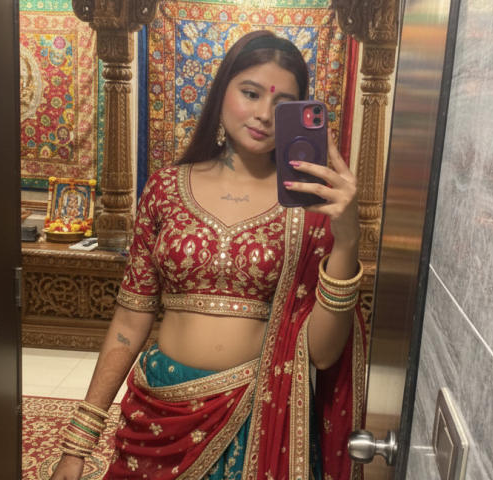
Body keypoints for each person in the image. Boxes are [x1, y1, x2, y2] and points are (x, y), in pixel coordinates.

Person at [51, 29, 366, 480]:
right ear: (221, 93)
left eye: (282, 105)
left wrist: (347, 241)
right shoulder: (165, 188)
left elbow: (322, 353)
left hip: (258, 417)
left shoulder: (309, 209)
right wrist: (79, 442)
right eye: (250, 93)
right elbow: (130, 320)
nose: (264, 115)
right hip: (158, 412)